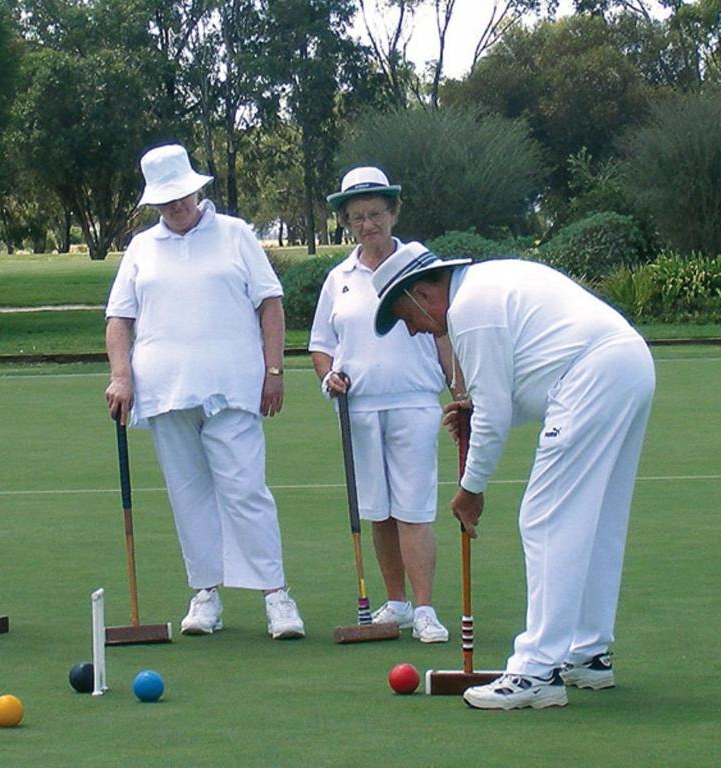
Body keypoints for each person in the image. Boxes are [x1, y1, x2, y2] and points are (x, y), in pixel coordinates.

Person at [372, 247, 655, 709]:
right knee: (597, 520)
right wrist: (479, 409)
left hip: (594, 374)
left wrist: (470, 490)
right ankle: (588, 652)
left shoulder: (469, 310)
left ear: (424, 294)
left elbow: (496, 414)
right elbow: (523, 385)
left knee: (545, 518)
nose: (412, 329)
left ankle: (537, 671)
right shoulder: (489, 285)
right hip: (626, 364)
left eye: (406, 317)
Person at [104, 143, 305, 640]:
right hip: (165, 390)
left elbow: (270, 303)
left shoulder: (235, 235)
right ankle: (206, 593)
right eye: (167, 200)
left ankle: (275, 595)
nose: (177, 206)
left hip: (233, 387)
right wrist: (122, 376)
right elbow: (119, 319)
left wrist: (273, 370)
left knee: (244, 490)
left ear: (197, 190)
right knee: (188, 494)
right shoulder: (141, 248)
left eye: (183, 196)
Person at [310, 167, 458, 643]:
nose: (366, 225)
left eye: (374, 214)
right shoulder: (340, 278)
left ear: (393, 212)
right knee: (380, 511)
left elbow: (444, 332)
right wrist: (328, 375)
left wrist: (460, 394)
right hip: (358, 408)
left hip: (414, 402)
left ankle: (426, 608)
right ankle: (396, 602)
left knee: (414, 509)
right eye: (356, 217)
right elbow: (321, 344)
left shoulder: (422, 262)